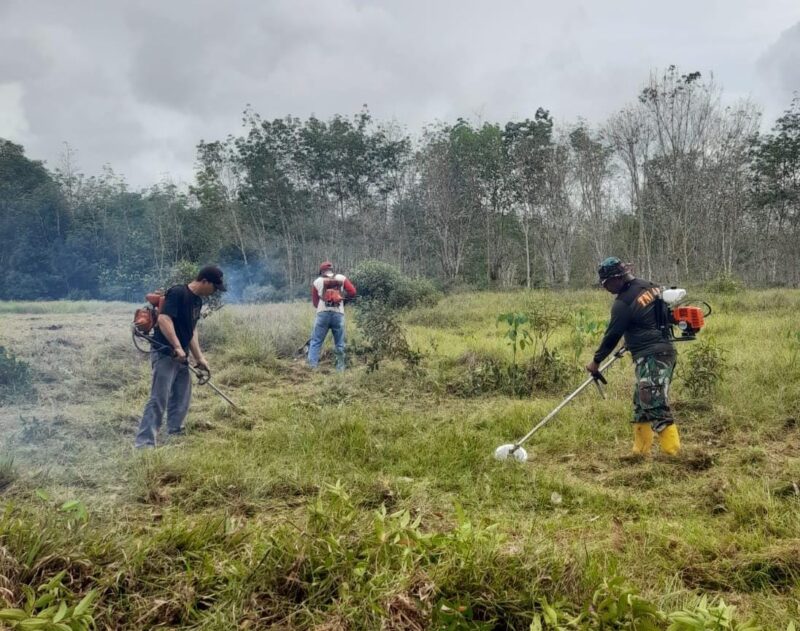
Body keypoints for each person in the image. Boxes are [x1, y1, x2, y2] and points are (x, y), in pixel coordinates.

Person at [585, 257, 681, 456]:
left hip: (653, 355)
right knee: (641, 404)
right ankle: (640, 452)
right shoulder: (651, 287)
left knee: (654, 403)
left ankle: (674, 454)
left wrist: (596, 361)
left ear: (618, 278)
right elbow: (653, 318)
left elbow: (612, 334)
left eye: (606, 283)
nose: (605, 288)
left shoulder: (623, 302)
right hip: (662, 351)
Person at [135, 265, 226, 448]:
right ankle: (144, 443)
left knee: (182, 395)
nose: (214, 291)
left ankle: (175, 430)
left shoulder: (197, 301)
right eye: (214, 287)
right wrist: (176, 346)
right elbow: (164, 319)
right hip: (165, 353)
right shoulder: (178, 292)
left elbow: (191, 330)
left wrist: (199, 357)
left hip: (181, 356)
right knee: (159, 397)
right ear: (204, 281)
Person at [308, 261, 357, 371]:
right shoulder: (342, 278)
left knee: (316, 341)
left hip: (322, 314)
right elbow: (353, 292)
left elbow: (315, 303)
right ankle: (340, 369)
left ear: (321, 271)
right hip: (338, 314)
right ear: (332, 270)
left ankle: (311, 368)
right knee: (339, 343)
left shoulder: (317, 281)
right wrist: (344, 302)